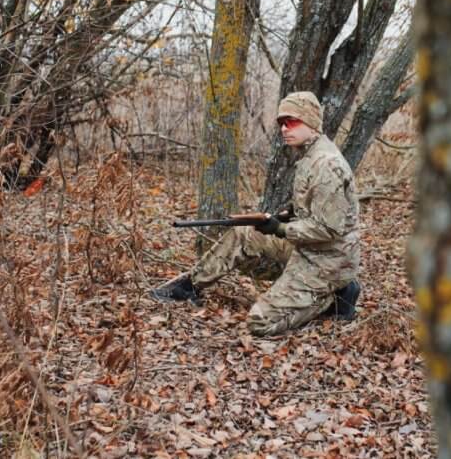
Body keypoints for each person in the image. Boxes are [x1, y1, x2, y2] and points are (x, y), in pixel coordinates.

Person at [149, 91, 361, 336]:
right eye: (281, 123)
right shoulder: (310, 156)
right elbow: (313, 208)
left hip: (329, 261)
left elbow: (329, 229)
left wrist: (279, 229)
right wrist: (285, 216)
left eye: (292, 122)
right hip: (307, 249)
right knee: (242, 234)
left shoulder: (326, 165)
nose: (284, 129)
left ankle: (336, 297)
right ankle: (189, 286)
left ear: (311, 123)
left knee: (260, 322)